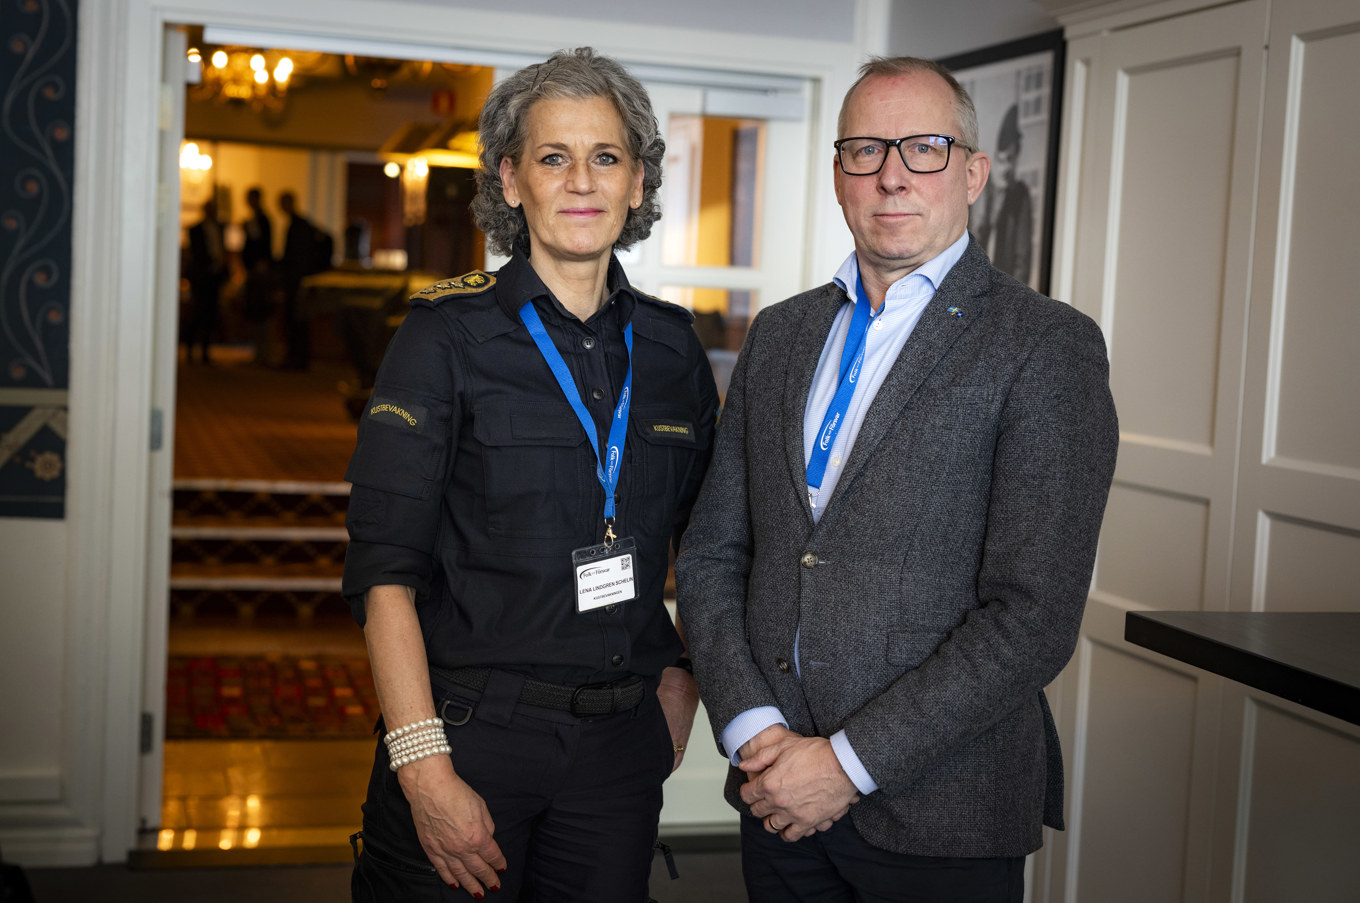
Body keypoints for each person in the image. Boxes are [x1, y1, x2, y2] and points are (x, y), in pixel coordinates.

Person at [675, 56, 1119, 903]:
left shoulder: (1044, 346)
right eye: (865, 150)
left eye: (923, 148)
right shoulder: (780, 333)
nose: (891, 176)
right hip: (773, 794)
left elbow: (1033, 617)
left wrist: (843, 765)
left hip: (940, 812)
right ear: (838, 174)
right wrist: (752, 730)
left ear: (973, 173)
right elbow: (710, 555)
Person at [342, 47, 718, 902]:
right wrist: (423, 766)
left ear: (637, 185)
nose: (581, 180)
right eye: (554, 157)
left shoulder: (671, 349)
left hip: (620, 749)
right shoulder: (443, 337)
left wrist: (682, 685)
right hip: (468, 734)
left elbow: (712, 546)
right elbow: (382, 573)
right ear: (511, 181)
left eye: (606, 157)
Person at [973, 104, 1034, 285]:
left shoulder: (1020, 195)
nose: (1007, 168)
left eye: (1012, 159)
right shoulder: (978, 189)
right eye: (1002, 160)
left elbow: (1022, 259)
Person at [277, 190, 319, 370]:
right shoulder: (301, 224)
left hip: (297, 280)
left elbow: (296, 256)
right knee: (296, 320)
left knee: (297, 320)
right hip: (298, 279)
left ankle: (297, 359)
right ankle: (296, 358)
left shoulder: (299, 225)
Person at [183, 198, 226, 364]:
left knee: (211, 314)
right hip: (201, 277)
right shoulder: (195, 229)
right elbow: (196, 253)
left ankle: (205, 351)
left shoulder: (221, 228)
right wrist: (211, 262)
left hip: (215, 277)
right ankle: (190, 349)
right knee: (197, 313)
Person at [240, 187, 275, 364]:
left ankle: (263, 353)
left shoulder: (262, 219)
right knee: (255, 312)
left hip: (259, 273)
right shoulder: (255, 219)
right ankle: (258, 353)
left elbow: (261, 244)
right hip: (254, 272)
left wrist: (260, 265)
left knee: (260, 311)